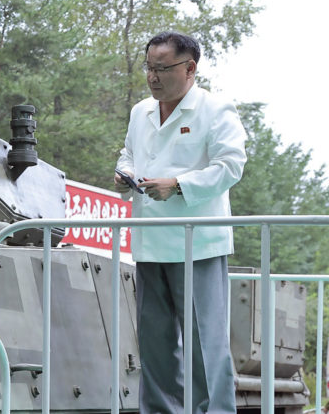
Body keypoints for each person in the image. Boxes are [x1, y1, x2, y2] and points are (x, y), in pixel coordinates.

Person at [114, 32, 247, 413]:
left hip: (198, 244)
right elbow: (129, 153)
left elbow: (230, 166)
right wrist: (124, 173)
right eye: (149, 68)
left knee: (205, 344)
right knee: (154, 345)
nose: (153, 77)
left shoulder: (216, 109)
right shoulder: (141, 111)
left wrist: (178, 185)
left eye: (162, 69)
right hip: (149, 241)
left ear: (190, 69)